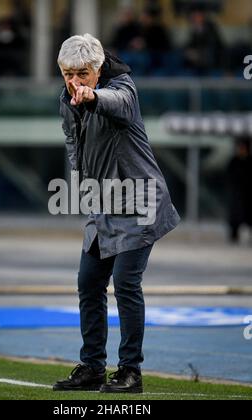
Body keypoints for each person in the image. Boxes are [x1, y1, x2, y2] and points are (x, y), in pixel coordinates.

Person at [52, 34, 180, 394]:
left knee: (125, 284)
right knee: (88, 283)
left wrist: (93, 96)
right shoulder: (66, 100)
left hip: (140, 202)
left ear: (97, 70)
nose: (73, 82)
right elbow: (72, 141)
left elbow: (118, 102)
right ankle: (92, 367)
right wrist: (82, 180)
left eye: (81, 74)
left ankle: (130, 372)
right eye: (66, 74)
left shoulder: (122, 87)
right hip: (103, 203)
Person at [226, 138, 252, 243]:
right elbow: (229, 177)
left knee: (249, 216)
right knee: (235, 217)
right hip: (236, 195)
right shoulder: (234, 161)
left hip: (248, 195)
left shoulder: (250, 161)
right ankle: (234, 237)